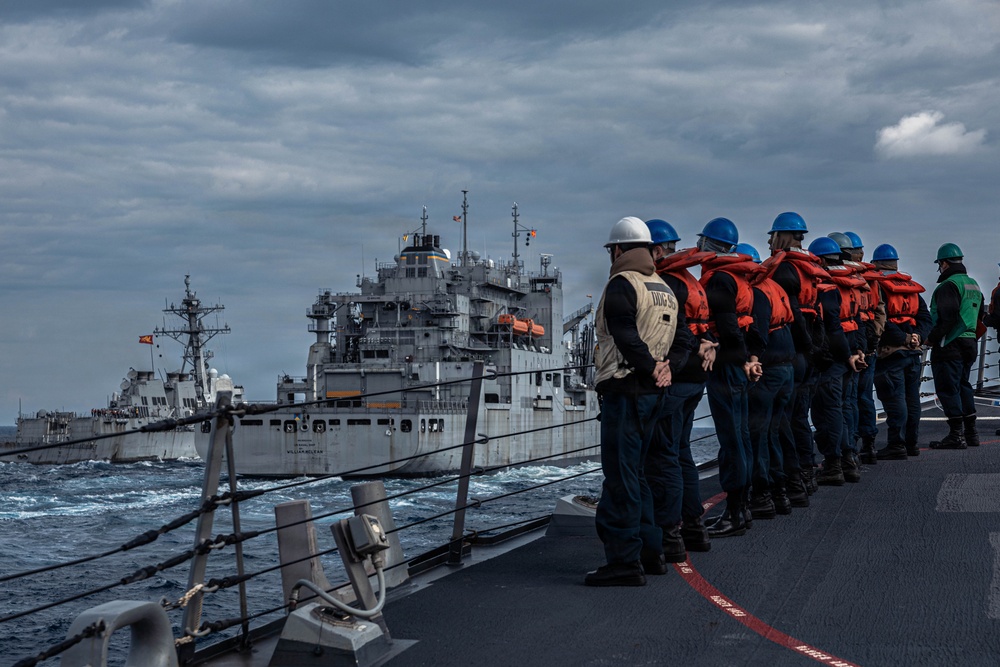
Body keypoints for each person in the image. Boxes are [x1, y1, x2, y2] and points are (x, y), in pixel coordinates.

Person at [586, 216, 679, 587]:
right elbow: (682, 338)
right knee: (639, 474)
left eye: (612, 250)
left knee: (622, 478)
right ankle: (650, 552)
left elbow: (624, 333)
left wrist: (650, 367)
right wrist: (665, 369)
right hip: (655, 393)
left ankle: (624, 562)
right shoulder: (664, 288)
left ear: (619, 249)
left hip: (625, 391)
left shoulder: (622, 284)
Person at [647, 219, 717, 554]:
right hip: (697, 377)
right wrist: (707, 344)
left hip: (676, 377)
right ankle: (694, 527)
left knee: (664, 456)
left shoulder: (665, 283)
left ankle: (670, 536)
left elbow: (674, 330)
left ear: (657, 250)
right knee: (682, 452)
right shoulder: (692, 280)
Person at [698, 218, 763, 537]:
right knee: (741, 438)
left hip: (726, 369)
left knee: (731, 441)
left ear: (709, 244)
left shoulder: (719, 280)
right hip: (739, 364)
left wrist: (717, 349)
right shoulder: (739, 278)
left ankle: (735, 512)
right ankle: (743, 509)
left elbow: (725, 325)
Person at [766, 212, 826, 497]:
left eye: (772, 235)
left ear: (781, 236)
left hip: (794, 351)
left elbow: (792, 315)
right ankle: (806, 472)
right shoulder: (809, 268)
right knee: (800, 416)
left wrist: (804, 348)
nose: (768, 241)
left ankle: (795, 477)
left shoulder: (783, 270)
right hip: (811, 351)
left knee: (788, 420)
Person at [737, 243, 796, 518]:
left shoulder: (757, 292)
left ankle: (762, 496)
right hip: (787, 368)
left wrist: (752, 358)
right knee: (776, 431)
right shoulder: (776, 288)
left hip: (768, 370)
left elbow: (758, 330)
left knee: (758, 434)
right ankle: (782, 492)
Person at [808, 236, 867, 485]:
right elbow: (859, 319)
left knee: (826, 412)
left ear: (819, 260)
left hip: (833, 359)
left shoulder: (825, 286)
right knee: (843, 408)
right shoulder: (851, 283)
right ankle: (849, 459)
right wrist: (858, 351)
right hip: (851, 355)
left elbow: (831, 326)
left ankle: (834, 465)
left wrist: (845, 354)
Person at [869, 244, 931, 460]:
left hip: (890, 354)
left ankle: (896, 445)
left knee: (895, 400)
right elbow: (925, 317)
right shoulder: (911, 286)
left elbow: (881, 322)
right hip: (914, 353)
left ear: (875, 264)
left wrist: (904, 338)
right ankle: (911, 444)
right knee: (912, 400)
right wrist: (917, 337)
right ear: (896, 263)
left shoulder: (877, 286)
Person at [927, 243, 985, 450]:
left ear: (943, 263)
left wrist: (930, 339)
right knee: (963, 385)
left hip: (950, 343)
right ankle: (971, 433)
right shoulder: (973, 284)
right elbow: (980, 317)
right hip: (970, 342)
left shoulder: (948, 286)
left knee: (948, 388)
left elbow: (947, 318)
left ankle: (956, 435)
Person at [842, 231, 886, 464]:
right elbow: (880, 311)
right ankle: (869, 444)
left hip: (853, 342)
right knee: (864, 396)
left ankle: (853, 445)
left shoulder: (847, 278)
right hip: (870, 342)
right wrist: (875, 337)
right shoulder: (871, 279)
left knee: (849, 397)